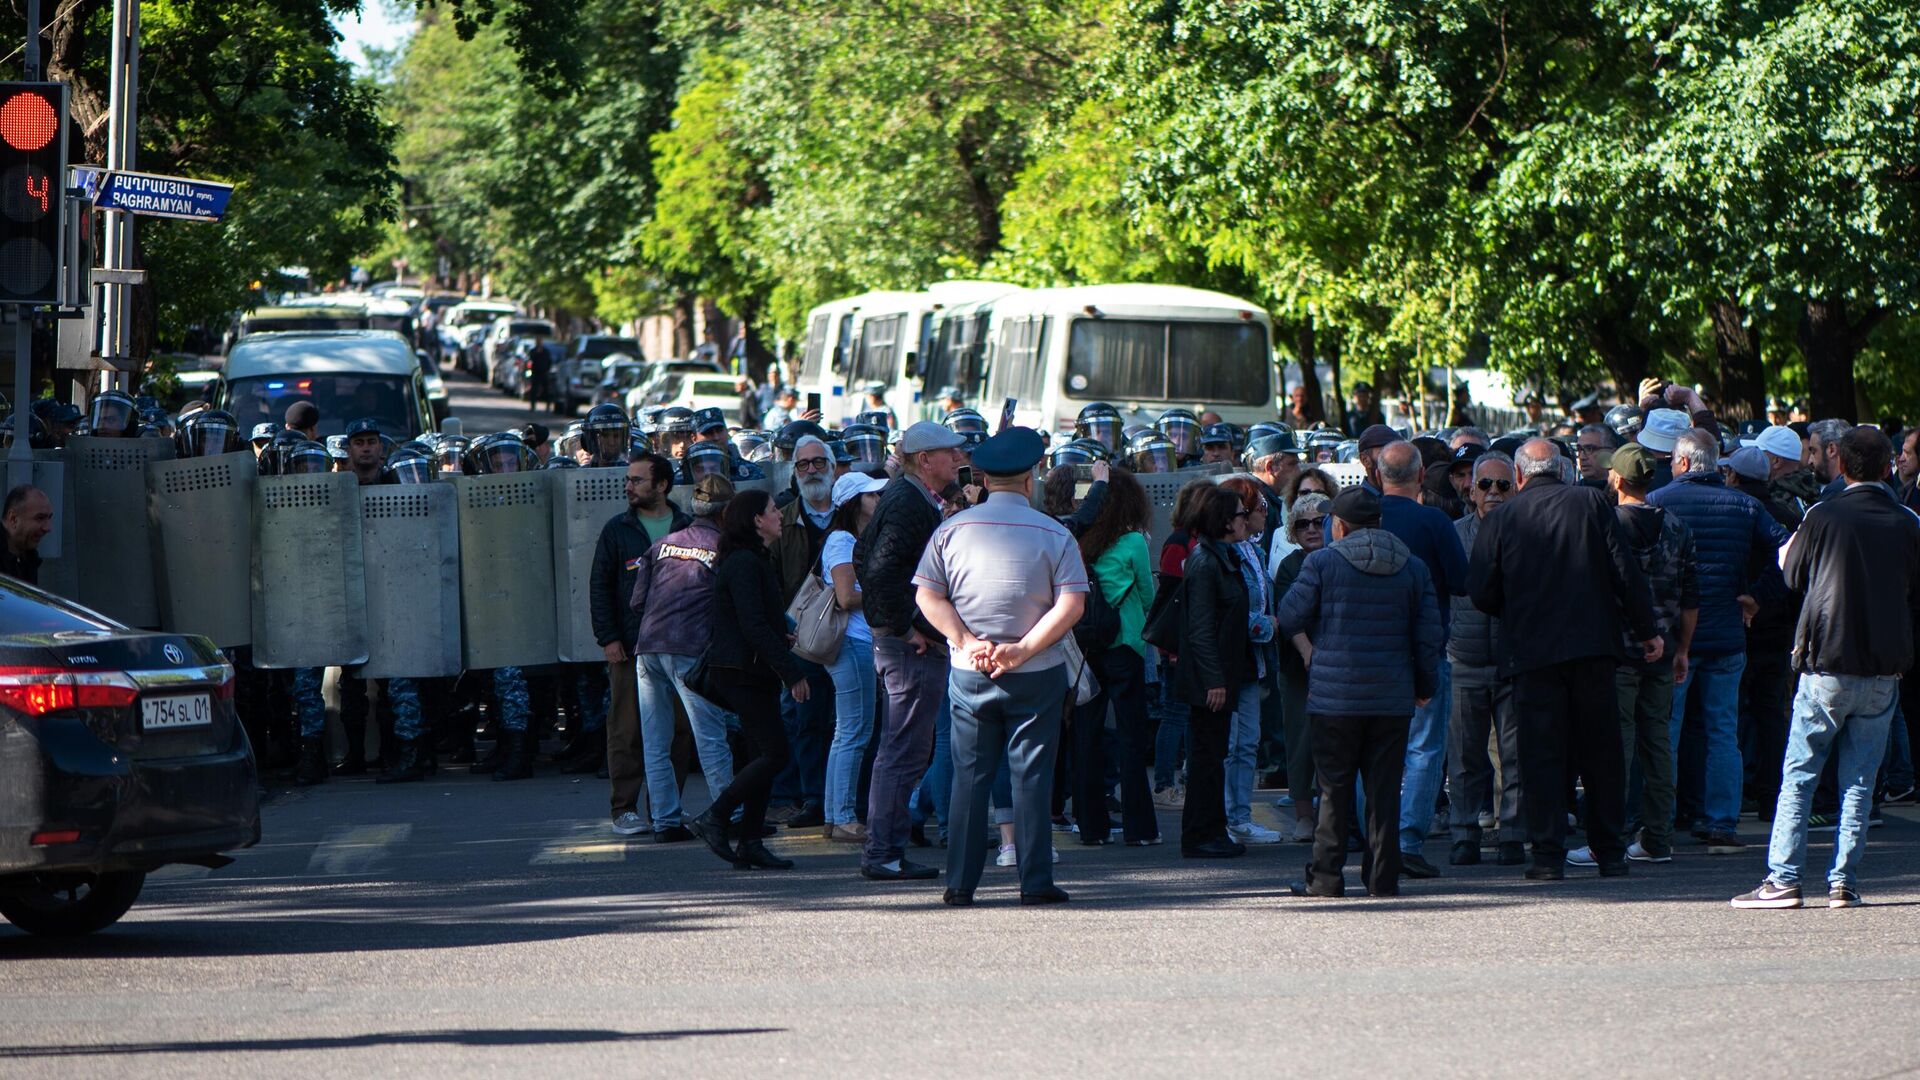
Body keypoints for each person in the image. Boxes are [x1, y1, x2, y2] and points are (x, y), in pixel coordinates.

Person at [1734, 428, 1920, 910]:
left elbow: (1791, 574)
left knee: (1800, 773)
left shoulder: (1821, 515)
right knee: (1859, 780)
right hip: (1882, 665)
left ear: (1840, 465)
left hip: (1826, 660)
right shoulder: (1908, 520)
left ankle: (1785, 877)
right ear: (1886, 468)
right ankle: (1844, 882)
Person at [1469, 439, 1661, 880]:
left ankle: (1548, 856)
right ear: (1561, 469)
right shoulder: (1591, 502)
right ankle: (1610, 852)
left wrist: (1515, 608)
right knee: (1602, 754)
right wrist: (1647, 630)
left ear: (1519, 476)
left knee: (1540, 756)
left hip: (1531, 653)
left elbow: (1480, 590)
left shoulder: (1502, 518)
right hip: (1591, 648)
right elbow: (1623, 571)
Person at [912, 427, 1088, 906]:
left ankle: (960, 884)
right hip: (1036, 671)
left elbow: (927, 594)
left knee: (969, 777)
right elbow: (1071, 605)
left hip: (969, 669)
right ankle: (1035, 882)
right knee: (1032, 777)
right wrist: (1023, 649)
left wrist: (967, 641)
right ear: (1031, 478)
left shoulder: (950, 530)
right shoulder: (1055, 533)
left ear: (983, 479)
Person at [1280, 486, 1442, 898]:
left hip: (1334, 697)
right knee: (1384, 791)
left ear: (1340, 524)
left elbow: (1289, 614)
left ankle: (1327, 878)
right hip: (1391, 698)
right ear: (1379, 522)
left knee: (1334, 790)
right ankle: (1382, 878)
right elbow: (1428, 638)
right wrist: (1425, 687)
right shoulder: (1413, 567)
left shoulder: (1322, 564)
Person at [1647, 429, 1791, 853]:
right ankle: (1722, 822)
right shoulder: (1746, 506)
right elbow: (1789, 549)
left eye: (1674, 459)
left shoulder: (1658, 502)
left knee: (1666, 729)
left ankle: (1662, 819)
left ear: (1685, 463)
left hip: (1674, 638)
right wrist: (1758, 596)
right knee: (1722, 731)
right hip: (1728, 633)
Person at [1565, 444, 1698, 867]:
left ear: (1618, 479)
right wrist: (1683, 649)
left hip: (1615, 653)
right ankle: (1658, 837)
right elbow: (1691, 597)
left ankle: (1606, 838)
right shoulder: (1677, 527)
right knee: (1658, 746)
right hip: (1661, 650)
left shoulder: (1605, 525)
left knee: (1613, 748)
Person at [856, 421, 968, 882]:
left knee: (902, 750)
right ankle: (884, 852)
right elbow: (877, 570)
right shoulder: (907, 501)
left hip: (907, 643)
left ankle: (886, 850)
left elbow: (867, 557)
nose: (960, 458)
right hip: (910, 649)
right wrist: (905, 629)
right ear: (925, 460)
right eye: (951, 452)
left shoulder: (908, 497)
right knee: (903, 751)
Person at [688, 490, 810, 870]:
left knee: (763, 755)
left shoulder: (755, 559)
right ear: (757, 520)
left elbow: (758, 619)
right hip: (739, 671)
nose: (779, 516)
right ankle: (716, 816)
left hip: (751, 670)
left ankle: (751, 842)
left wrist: (780, 635)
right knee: (776, 754)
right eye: (774, 510)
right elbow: (751, 624)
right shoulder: (743, 562)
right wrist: (792, 672)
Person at [1375, 441, 1469, 878]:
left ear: (1377, 475)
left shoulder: (1357, 518)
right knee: (1424, 749)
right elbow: (1462, 581)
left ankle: (1370, 836)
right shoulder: (1433, 520)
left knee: (1368, 749)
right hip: (1424, 651)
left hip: (1366, 653)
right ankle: (1407, 841)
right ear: (1418, 476)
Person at [628, 475, 741, 838]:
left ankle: (665, 820)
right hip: (690, 650)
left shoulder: (662, 545)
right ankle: (730, 816)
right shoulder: (724, 550)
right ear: (726, 514)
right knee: (710, 736)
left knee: (655, 740)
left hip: (648, 648)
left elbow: (637, 602)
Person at [593, 452, 694, 837]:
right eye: (628, 479)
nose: (629, 486)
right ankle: (625, 808)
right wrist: (609, 638)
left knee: (680, 731)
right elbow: (600, 587)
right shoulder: (618, 529)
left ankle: (667, 808)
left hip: (682, 644)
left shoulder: (686, 525)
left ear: (662, 485)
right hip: (632, 647)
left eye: (637, 480)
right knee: (627, 728)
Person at [1069, 469, 1160, 847]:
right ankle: (1139, 828)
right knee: (1130, 737)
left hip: (1086, 646)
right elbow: (1149, 595)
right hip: (1126, 645)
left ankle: (1092, 826)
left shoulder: (1078, 540)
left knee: (1086, 736)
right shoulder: (1133, 542)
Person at [1443, 452, 1525, 866]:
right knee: (1464, 760)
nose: (1494, 492)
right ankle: (1464, 834)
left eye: (1503, 485)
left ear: (1516, 488)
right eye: (1485, 485)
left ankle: (1512, 834)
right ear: (1471, 490)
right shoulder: (1454, 535)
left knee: (1514, 758)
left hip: (1513, 662)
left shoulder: (1530, 532)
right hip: (1465, 660)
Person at [1173, 486, 1257, 860]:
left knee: (1212, 755)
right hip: (1212, 679)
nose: (1246, 519)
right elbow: (1201, 628)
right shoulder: (1206, 561)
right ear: (1225, 521)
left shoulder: (1223, 557)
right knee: (1207, 757)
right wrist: (1215, 681)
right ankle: (1202, 834)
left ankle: (1208, 830)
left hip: (1222, 674)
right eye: (1241, 514)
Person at [767, 434, 840, 828]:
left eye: (818, 462)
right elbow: (772, 578)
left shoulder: (851, 512)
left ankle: (843, 798)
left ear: (832, 466)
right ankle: (809, 796)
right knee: (802, 718)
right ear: (794, 472)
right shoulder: (784, 517)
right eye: (803, 464)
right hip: (800, 638)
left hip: (850, 632)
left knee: (850, 721)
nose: (812, 470)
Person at [819, 471, 889, 841]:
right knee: (854, 732)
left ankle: (836, 815)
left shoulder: (849, 539)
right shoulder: (843, 540)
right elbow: (846, 597)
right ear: (852, 503)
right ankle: (844, 816)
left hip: (855, 642)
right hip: (853, 641)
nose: (878, 500)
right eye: (871, 495)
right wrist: (885, 589)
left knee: (847, 732)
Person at [1217, 476, 1282, 846]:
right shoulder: (1223, 555)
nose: (1263, 512)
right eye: (1257, 507)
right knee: (1228, 744)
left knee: (1247, 744)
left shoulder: (1254, 552)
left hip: (1252, 662)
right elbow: (1230, 613)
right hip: (1230, 663)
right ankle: (1226, 815)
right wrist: (1267, 625)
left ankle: (1241, 816)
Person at [1269, 492, 1328, 842]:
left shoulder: (1339, 556)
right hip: (1297, 666)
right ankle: (1304, 815)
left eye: (1318, 522)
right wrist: (1307, 651)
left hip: (1339, 663)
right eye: (1302, 524)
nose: (1310, 529)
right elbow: (1289, 615)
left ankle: (1332, 814)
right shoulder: (1290, 565)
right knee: (1300, 739)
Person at [1, 484, 52, 585]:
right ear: (13, 519)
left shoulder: (28, 557)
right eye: (40, 518)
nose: (48, 528)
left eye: (49, 518)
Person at [527, 338, 555, 414]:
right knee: (533, 390)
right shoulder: (533, 351)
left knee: (547, 390)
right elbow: (530, 361)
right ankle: (532, 406)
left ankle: (548, 406)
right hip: (535, 373)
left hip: (544, 373)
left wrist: (547, 370)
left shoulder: (546, 352)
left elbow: (549, 362)